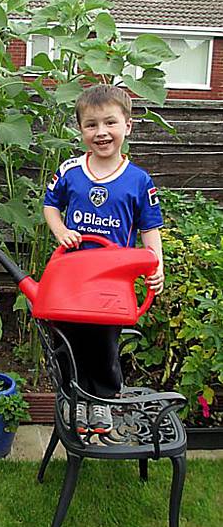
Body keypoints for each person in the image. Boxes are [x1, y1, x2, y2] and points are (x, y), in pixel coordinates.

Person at [43, 84, 164, 434]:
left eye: (109, 123)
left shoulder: (139, 181)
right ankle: (73, 398)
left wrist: (156, 268)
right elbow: (50, 206)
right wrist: (60, 230)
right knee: (67, 339)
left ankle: (102, 402)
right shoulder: (70, 171)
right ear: (80, 129)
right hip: (70, 280)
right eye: (91, 125)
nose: (101, 132)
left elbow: (149, 229)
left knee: (104, 344)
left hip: (111, 284)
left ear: (127, 125)